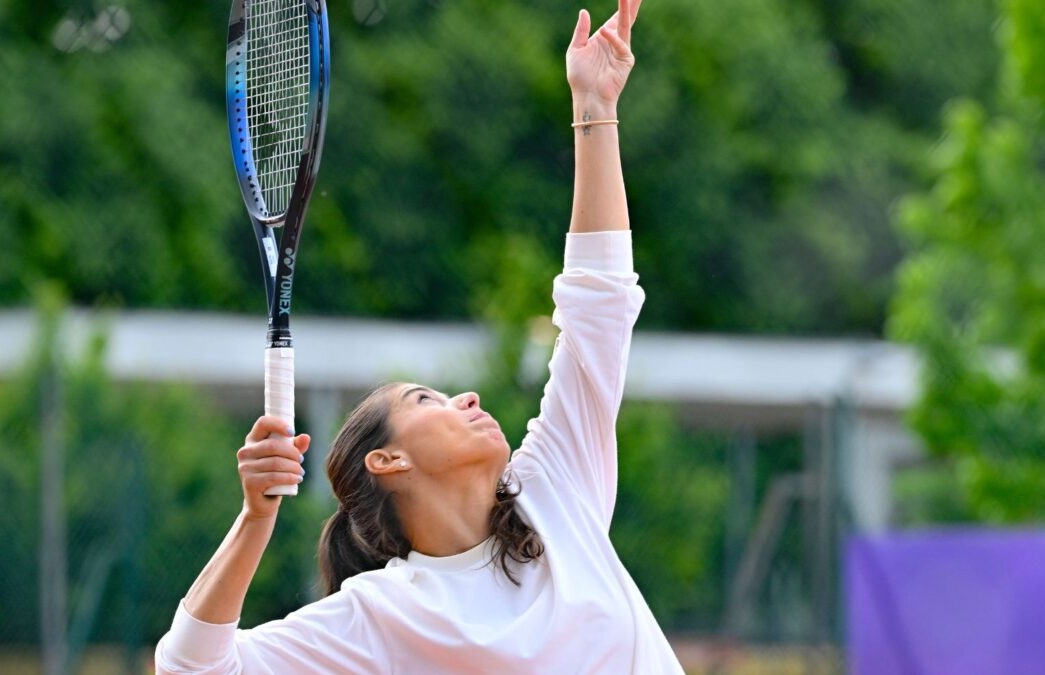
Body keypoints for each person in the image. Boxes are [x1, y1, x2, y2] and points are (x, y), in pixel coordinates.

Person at [155, 0, 683, 671]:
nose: (465, 396)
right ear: (388, 461)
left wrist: (595, 104)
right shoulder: (380, 617)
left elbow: (598, 306)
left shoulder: (558, 490)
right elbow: (187, 668)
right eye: (428, 401)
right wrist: (256, 517)